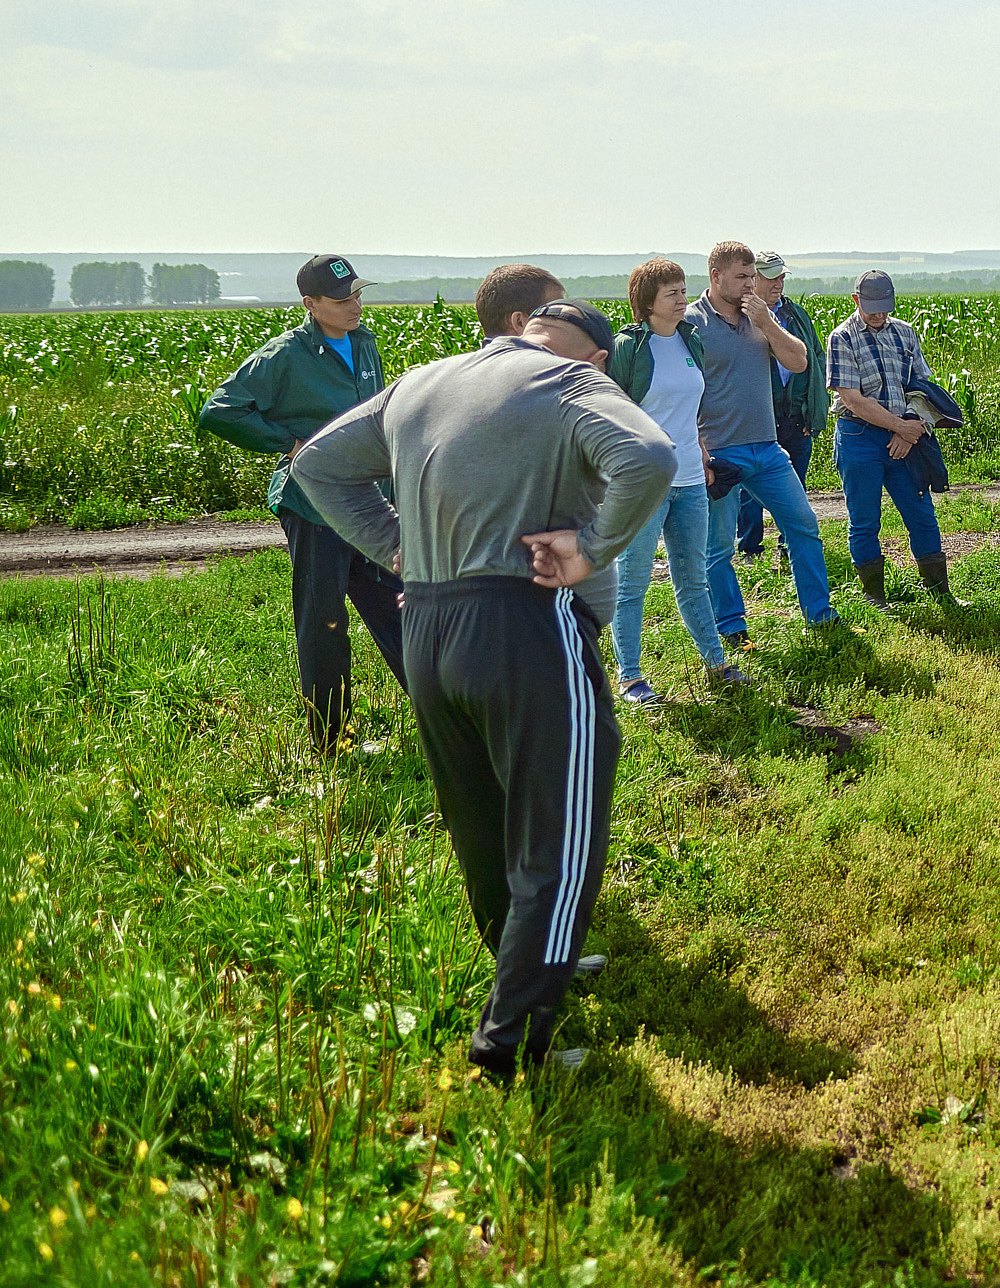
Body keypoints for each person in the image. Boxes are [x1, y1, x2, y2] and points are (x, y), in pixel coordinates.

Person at [290, 265, 677, 1083]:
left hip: (424, 622)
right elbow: (647, 453)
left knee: (481, 821)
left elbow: (317, 466)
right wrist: (591, 546)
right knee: (560, 826)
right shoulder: (570, 382)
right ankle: (512, 1042)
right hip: (522, 619)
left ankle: (528, 968)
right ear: (589, 355)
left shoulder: (421, 381)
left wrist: (393, 543)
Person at [196, 254, 408, 752]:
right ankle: (331, 741)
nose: (355, 305)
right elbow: (218, 410)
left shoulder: (365, 343)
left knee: (402, 609)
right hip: (312, 506)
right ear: (310, 305)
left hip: (369, 504)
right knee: (324, 621)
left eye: (358, 294)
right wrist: (289, 444)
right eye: (341, 299)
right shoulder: (284, 355)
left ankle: (449, 721)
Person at [602, 263, 741, 703]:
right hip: (644, 483)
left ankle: (717, 664)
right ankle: (630, 678)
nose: (683, 300)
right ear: (646, 303)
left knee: (692, 578)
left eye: (683, 291)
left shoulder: (689, 340)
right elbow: (608, 411)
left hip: (689, 479)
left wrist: (699, 448)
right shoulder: (627, 347)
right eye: (671, 294)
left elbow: (689, 406)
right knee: (632, 582)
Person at [691, 241, 840, 643]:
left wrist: (767, 324)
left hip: (767, 446)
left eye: (750, 276)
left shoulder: (760, 317)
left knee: (804, 525)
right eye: (740, 277)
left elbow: (799, 361)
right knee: (719, 548)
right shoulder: (691, 324)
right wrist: (699, 451)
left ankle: (821, 615)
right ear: (715, 276)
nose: (747, 284)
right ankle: (732, 627)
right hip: (720, 450)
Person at [825, 270, 952, 606]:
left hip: (905, 436)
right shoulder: (842, 338)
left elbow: (921, 386)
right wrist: (900, 426)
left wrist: (910, 425)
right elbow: (853, 400)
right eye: (872, 308)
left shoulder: (905, 333)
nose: (880, 315)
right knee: (864, 519)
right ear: (856, 301)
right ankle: (874, 597)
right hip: (859, 436)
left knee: (921, 512)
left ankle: (941, 594)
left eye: (885, 307)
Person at [734, 253, 826, 567]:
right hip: (757, 419)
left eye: (781, 277)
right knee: (750, 489)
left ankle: (789, 549)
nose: (779, 283)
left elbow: (815, 363)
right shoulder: (735, 317)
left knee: (795, 488)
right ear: (752, 279)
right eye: (771, 277)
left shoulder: (796, 315)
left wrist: (811, 413)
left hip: (795, 419)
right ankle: (749, 550)